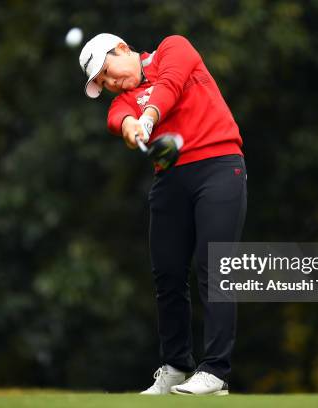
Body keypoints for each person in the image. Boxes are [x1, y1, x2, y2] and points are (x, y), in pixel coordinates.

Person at [79, 33, 247, 396]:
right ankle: (175, 366)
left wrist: (149, 117)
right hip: (170, 178)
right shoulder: (121, 102)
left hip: (219, 166)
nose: (110, 84)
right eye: (103, 83)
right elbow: (119, 118)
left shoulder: (175, 47)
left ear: (122, 49)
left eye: (107, 72)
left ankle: (215, 371)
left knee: (214, 268)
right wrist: (130, 126)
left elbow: (169, 86)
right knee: (168, 274)